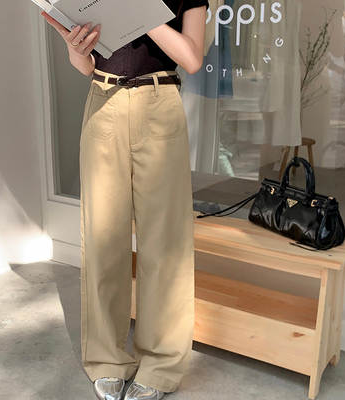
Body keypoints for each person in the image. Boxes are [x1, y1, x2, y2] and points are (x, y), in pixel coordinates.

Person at [41, 1, 208, 399]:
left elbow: (191, 58)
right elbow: (87, 66)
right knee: (103, 243)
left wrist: (140, 12)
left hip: (160, 104)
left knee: (164, 245)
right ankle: (106, 359)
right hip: (104, 101)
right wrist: (76, 49)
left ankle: (161, 364)